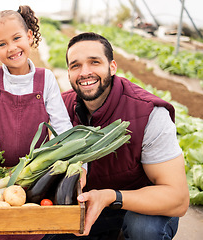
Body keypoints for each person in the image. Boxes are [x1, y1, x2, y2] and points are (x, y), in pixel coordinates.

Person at [43, 32, 190, 240]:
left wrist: (111, 196)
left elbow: (178, 198)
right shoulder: (60, 110)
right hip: (85, 205)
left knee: (145, 230)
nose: (85, 72)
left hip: (138, 207)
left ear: (112, 67)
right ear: (68, 73)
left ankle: (121, 231)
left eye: (94, 62)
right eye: (75, 65)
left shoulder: (148, 113)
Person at [0, 5, 79, 240]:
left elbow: (62, 127)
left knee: (29, 227)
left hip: (33, 178)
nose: (11, 48)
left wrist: (79, 165)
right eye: (1, 44)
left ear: (30, 36)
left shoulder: (46, 79)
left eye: (17, 38)